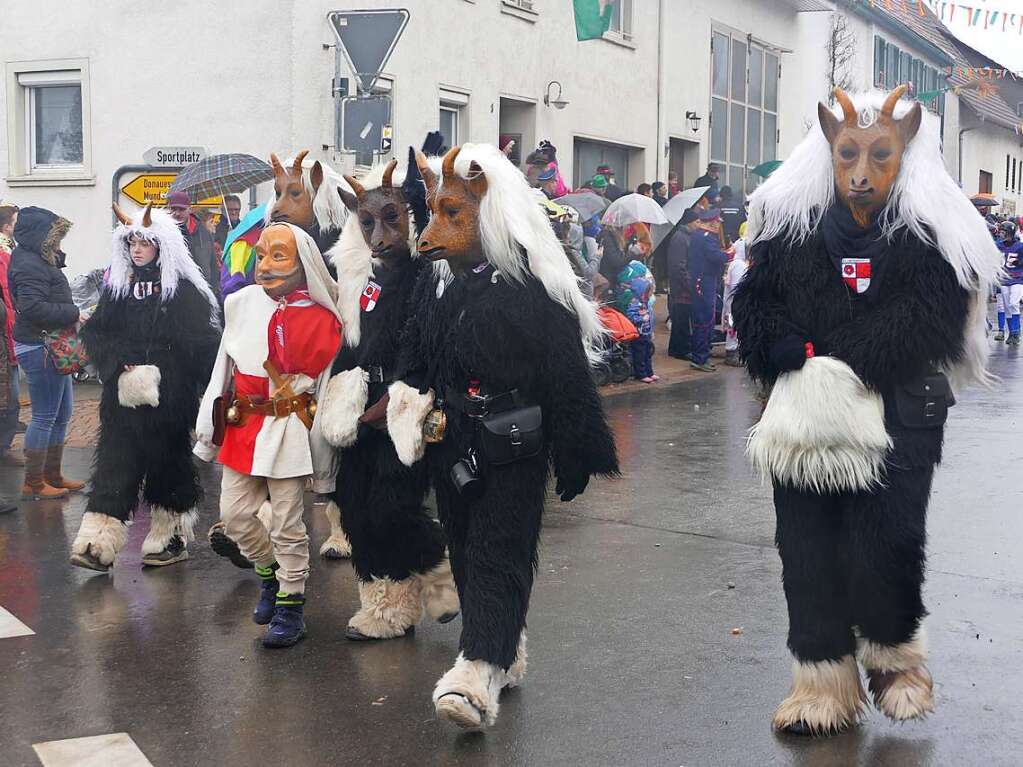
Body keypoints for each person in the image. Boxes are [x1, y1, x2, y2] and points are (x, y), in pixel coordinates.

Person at [734, 86, 1001, 737]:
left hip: (897, 422)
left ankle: (893, 658)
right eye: (846, 153)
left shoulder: (930, 241)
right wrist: (778, 345)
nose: (859, 173)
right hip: (808, 425)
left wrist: (841, 353)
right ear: (828, 150)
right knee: (806, 548)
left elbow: (931, 320)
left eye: (878, 155)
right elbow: (754, 302)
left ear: (901, 152)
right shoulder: (789, 235)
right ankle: (821, 682)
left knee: (886, 540)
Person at [395, 145, 618, 729]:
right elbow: (416, 352)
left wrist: (575, 453)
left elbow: (566, 375)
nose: (433, 231)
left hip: (513, 443)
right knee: (466, 549)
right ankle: (504, 643)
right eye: (433, 214)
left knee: (500, 548)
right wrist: (404, 395)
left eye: (452, 215)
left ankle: (477, 671)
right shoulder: (435, 285)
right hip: (452, 441)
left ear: (485, 210)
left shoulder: (530, 290)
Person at [320, 154, 459, 640]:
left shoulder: (430, 278)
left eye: (390, 219)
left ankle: (438, 568)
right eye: (367, 223)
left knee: (392, 506)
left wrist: (397, 395)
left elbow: (424, 346)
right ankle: (385, 607)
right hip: (361, 404)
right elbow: (351, 342)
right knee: (354, 506)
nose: (379, 236)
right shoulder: (364, 280)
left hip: (407, 405)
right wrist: (338, 394)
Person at [195, 222, 342, 648]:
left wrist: (325, 454)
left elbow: (328, 386)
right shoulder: (239, 303)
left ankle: (291, 605)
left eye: (279, 255)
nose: (266, 265)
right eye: (261, 255)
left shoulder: (324, 316)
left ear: (304, 263)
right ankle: (269, 575)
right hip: (245, 425)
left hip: (290, 427)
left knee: (287, 523)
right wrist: (209, 429)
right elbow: (221, 369)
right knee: (236, 515)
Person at [69, 203, 220, 572]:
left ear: (161, 246)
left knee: (168, 464)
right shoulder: (119, 288)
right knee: (115, 462)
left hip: (171, 394)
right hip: (124, 395)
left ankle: (170, 537)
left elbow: (203, 342)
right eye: (132, 242)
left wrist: (212, 393)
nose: (136, 249)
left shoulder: (183, 291)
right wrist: (118, 360)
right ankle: (97, 542)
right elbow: (96, 331)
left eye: (144, 243)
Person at [8, 207, 84, 499]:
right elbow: (32, 307)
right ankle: (34, 482)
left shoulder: (39, 259)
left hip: (52, 344)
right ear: (41, 236)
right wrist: (75, 312)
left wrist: (57, 259)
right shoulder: (28, 263)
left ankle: (53, 474)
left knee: (62, 414)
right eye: (56, 237)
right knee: (44, 416)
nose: (59, 242)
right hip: (41, 346)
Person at [687, 208, 727, 372]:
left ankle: (701, 355)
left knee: (703, 319)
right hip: (704, 282)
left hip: (702, 280)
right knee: (705, 319)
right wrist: (731, 254)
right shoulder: (706, 238)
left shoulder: (698, 235)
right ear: (713, 222)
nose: (719, 226)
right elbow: (715, 257)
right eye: (718, 222)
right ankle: (700, 357)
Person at [0, 203, 24, 467]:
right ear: (7, 226)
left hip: (11, 329)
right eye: (15, 222)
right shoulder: (4, 254)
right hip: (7, 330)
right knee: (9, 393)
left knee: (12, 391)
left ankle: (4, 444)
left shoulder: (11, 251)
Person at [166, 190, 221, 300]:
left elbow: (212, 266)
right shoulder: (164, 233)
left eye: (181, 209)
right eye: (173, 209)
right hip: (173, 294)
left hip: (200, 293)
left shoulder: (204, 233)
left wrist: (213, 292)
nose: (177, 213)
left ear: (189, 209)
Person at [615, 259, 657, 382]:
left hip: (646, 333)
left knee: (647, 354)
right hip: (638, 333)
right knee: (639, 354)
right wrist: (641, 319)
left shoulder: (646, 304)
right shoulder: (635, 303)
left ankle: (650, 372)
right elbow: (631, 316)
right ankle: (642, 373)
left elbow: (651, 317)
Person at [667, 209, 698, 359]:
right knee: (681, 319)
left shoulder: (687, 236)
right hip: (681, 287)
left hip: (684, 284)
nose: (699, 225)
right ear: (690, 222)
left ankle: (678, 348)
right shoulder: (680, 238)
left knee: (682, 318)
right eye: (697, 222)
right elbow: (678, 266)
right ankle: (681, 350)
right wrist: (688, 283)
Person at [722, 221, 748, 366]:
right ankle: (731, 352)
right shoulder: (739, 265)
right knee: (733, 329)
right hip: (735, 304)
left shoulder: (740, 263)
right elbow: (737, 287)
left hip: (735, 304)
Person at [994, 220, 1023, 344]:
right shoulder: (998, 245)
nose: (1001, 234)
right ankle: (1012, 333)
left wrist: (1020, 263)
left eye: (1003, 231)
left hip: (1017, 278)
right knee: (1007, 307)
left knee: (1013, 304)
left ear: (1010, 232)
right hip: (1004, 279)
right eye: (1000, 231)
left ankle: (1016, 332)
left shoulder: (1020, 246)